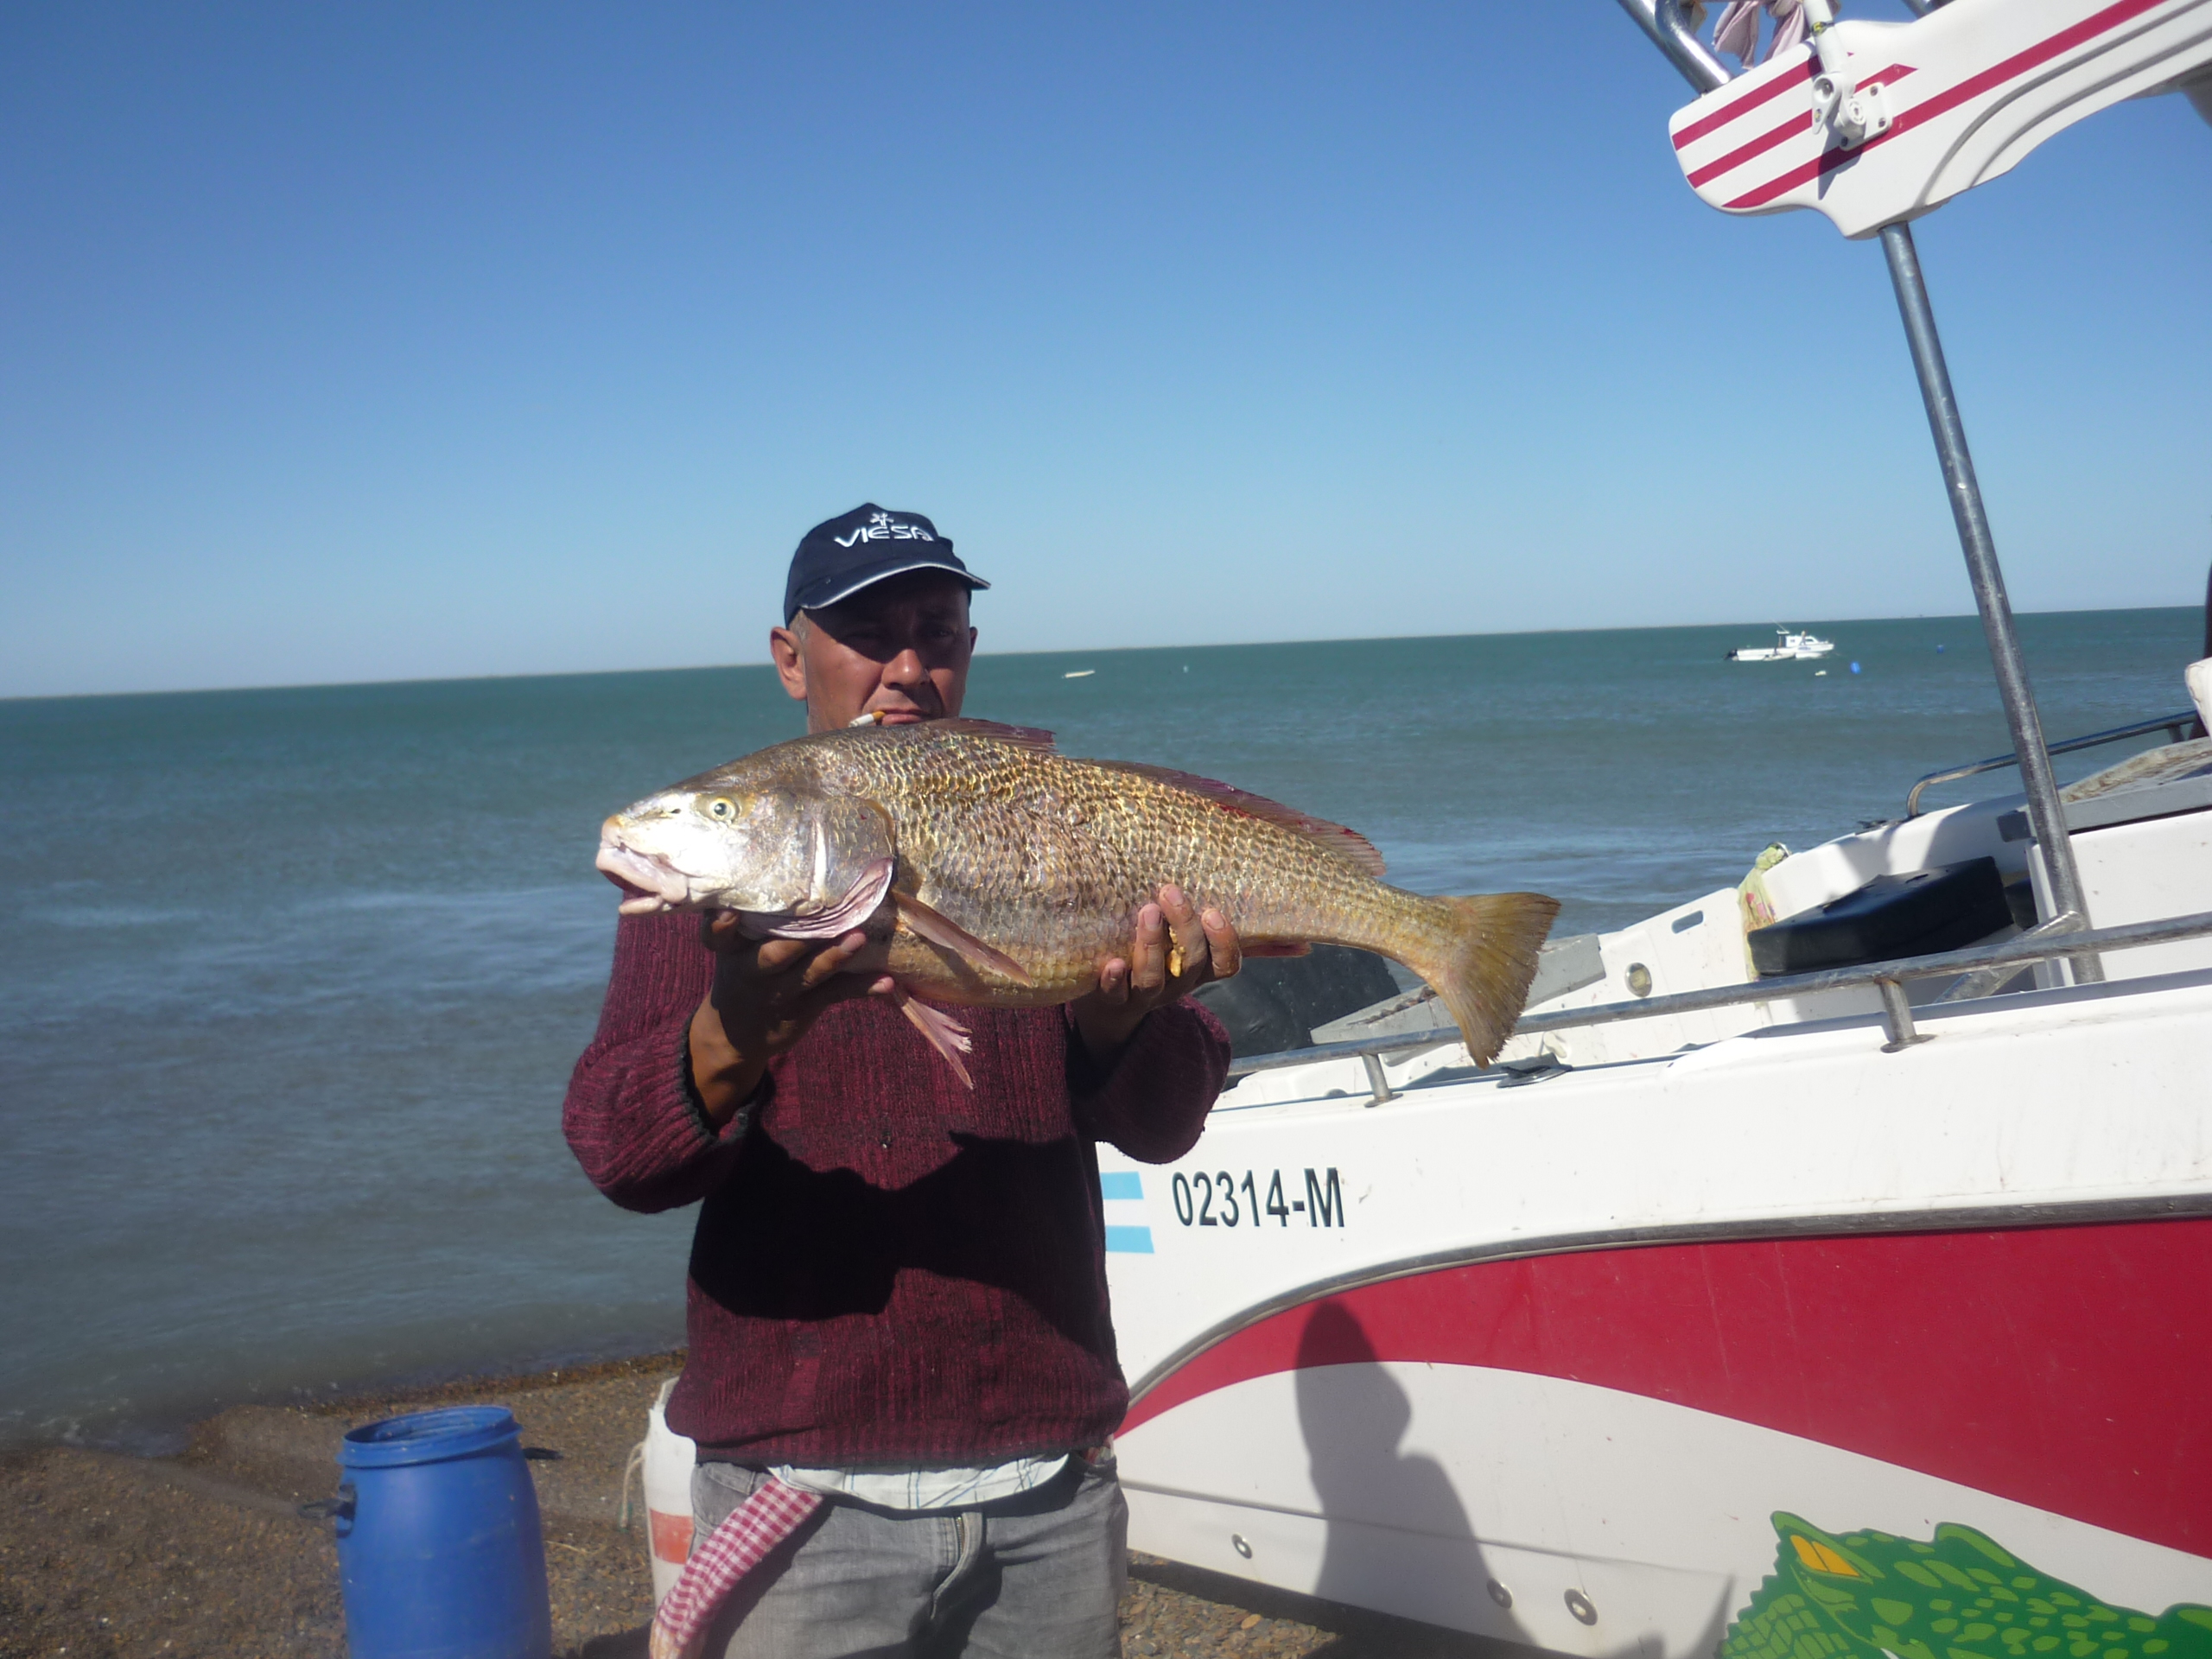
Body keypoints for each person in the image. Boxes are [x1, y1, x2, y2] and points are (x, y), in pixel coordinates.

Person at [563, 504, 1237, 1658]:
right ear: (791, 659)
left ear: (969, 650)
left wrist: (1125, 1015)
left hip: (1051, 1488)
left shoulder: (1051, 832)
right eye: (870, 635)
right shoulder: (713, 894)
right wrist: (741, 1029)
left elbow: (1167, 1123)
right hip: (796, 1494)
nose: (910, 667)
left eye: (938, 633)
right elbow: (621, 1153)